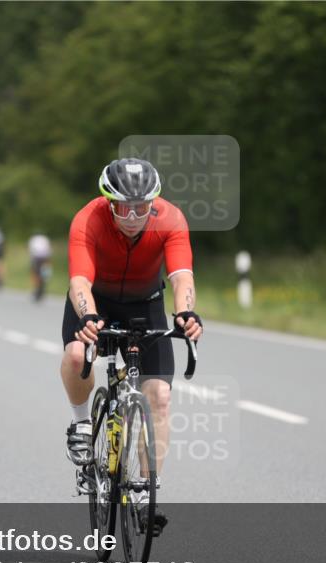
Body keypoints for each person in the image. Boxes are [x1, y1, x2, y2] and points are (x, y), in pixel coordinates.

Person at [60, 158, 203, 532]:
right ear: (109, 202)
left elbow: (181, 276)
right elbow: (79, 280)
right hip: (96, 300)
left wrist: (186, 313)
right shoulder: (88, 220)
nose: (135, 215)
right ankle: (81, 426)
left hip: (146, 304)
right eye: (124, 207)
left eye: (143, 206)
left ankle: (144, 491)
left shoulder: (170, 219)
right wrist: (88, 317)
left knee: (158, 396)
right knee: (77, 356)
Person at [28, 232, 52, 302]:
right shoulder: (45, 239)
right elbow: (49, 249)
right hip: (45, 257)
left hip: (36, 258)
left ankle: (36, 289)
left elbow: (31, 250)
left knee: (35, 274)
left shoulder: (33, 239)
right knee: (44, 273)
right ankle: (42, 289)